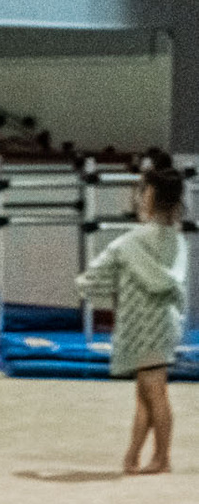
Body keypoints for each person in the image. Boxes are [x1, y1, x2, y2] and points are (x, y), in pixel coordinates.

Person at [77, 159, 186, 475]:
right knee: (147, 393)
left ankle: (162, 457)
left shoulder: (132, 241)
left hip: (142, 324)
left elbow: (96, 275)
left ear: (148, 196)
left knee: (155, 393)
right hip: (165, 322)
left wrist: (85, 286)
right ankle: (133, 456)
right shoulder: (177, 240)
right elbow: (173, 283)